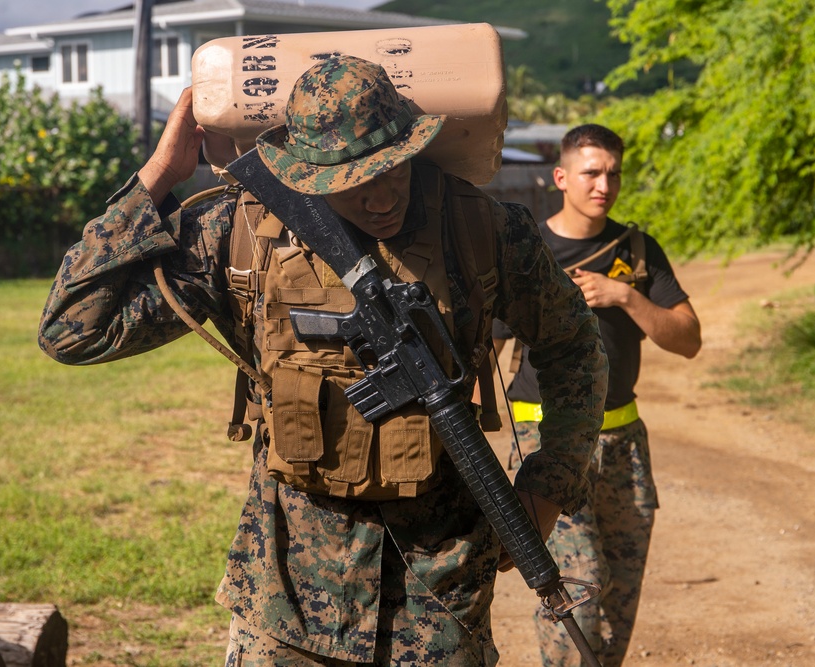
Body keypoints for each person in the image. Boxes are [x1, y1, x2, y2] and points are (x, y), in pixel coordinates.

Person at [38, 55, 608, 666]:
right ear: (306, 172)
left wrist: (553, 480)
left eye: (393, 170)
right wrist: (155, 178)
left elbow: (574, 342)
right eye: (353, 179)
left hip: (438, 596)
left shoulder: (480, 229)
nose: (383, 195)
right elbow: (73, 331)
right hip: (287, 597)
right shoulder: (240, 230)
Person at [493, 123, 701, 666]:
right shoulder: (528, 248)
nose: (603, 184)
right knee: (577, 585)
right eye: (591, 172)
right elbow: (485, 351)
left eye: (613, 173)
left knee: (620, 592)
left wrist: (625, 296)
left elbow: (689, 339)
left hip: (623, 439)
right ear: (560, 177)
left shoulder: (636, 251)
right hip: (549, 438)